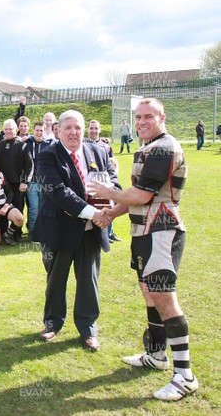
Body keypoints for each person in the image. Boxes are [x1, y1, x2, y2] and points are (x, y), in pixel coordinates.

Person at [88, 98, 198, 401]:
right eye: (138, 118)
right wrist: (111, 212)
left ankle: (184, 375)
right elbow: (135, 197)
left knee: (163, 297)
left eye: (148, 117)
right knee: (150, 293)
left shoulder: (164, 147)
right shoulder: (146, 147)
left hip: (162, 230)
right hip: (143, 232)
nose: (141, 122)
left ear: (162, 117)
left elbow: (144, 194)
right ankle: (156, 354)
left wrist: (108, 193)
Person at [33, 109, 119, 352]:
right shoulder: (47, 155)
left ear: (84, 130)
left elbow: (113, 183)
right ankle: (52, 323)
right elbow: (59, 193)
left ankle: (88, 328)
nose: (73, 132)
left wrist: (110, 210)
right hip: (59, 229)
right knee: (56, 280)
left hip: (92, 230)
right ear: (57, 130)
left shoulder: (99, 151)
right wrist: (95, 213)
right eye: (68, 128)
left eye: (78, 127)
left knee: (89, 282)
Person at [0, 119, 33, 229]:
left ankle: (16, 233)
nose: (8, 131)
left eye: (10, 129)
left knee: (18, 208)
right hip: (2, 184)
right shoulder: (0, 145)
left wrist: (24, 182)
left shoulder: (22, 145)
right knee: (2, 208)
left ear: (16, 130)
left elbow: (29, 165)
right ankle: (3, 232)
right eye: (6, 129)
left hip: (17, 184)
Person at [24, 121, 52, 238]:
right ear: (33, 131)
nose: (39, 133)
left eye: (41, 130)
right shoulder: (27, 143)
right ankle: (32, 231)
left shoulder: (49, 145)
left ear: (44, 131)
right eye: (37, 130)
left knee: (42, 206)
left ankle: (42, 230)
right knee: (34, 207)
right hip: (32, 181)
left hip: (44, 181)